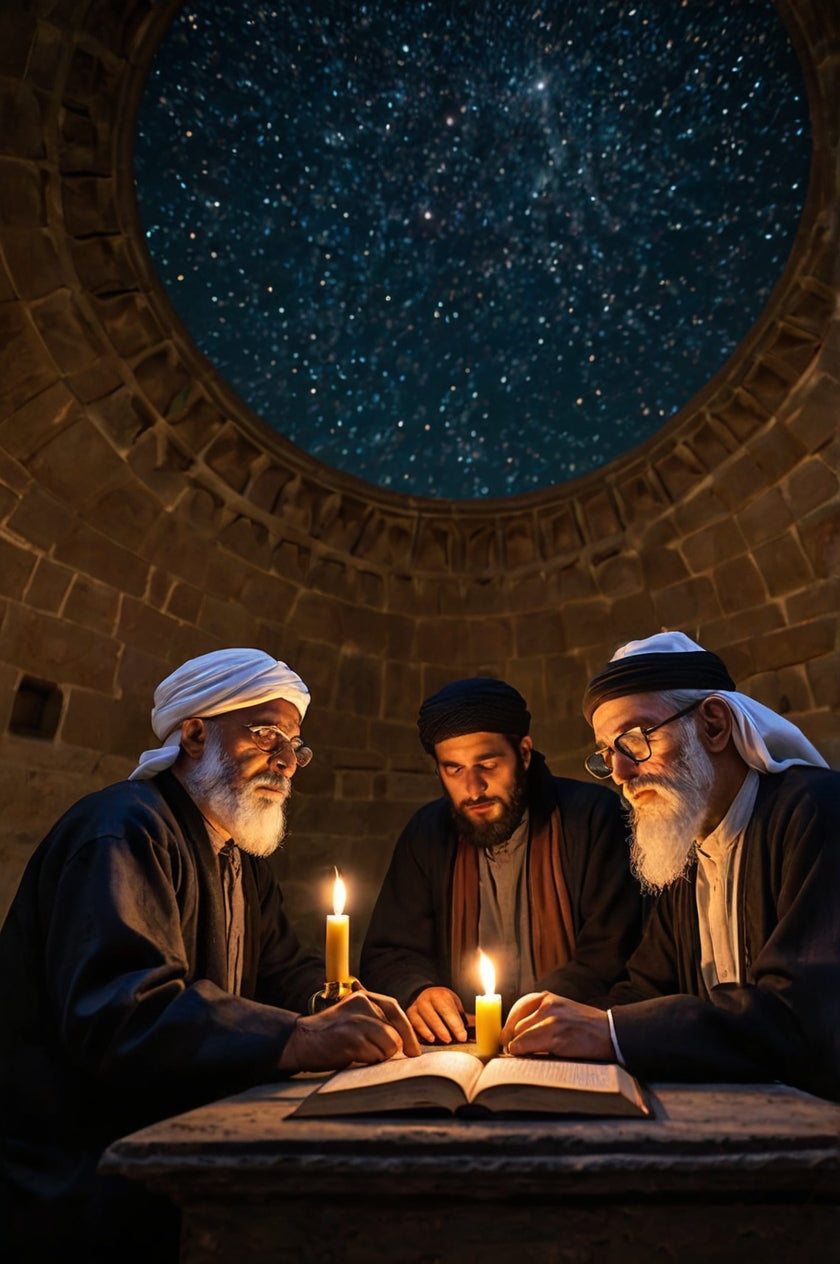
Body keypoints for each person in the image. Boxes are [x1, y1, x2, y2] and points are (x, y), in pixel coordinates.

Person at [0, 648, 420, 1263]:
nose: (285, 760)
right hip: (80, 1172)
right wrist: (300, 1039)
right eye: (265, 734)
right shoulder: (122, 831)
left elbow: (283, 970)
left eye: (294, 745)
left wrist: (337, 1003)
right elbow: (122, 1014)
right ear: (194, 734)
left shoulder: (238, 856)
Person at [501, 631, 840, 1103]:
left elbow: (796, 1018)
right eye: (606, 753)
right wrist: (559, 1023)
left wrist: (608, 1031)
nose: (619, 772)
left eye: (635, 740)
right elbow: (645, 991)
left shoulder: (816, 813)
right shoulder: (685, 847)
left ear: (715, 725)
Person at [360, 676, 643, 1043]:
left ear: (523, 753)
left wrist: (536, 1012)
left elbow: (613, 956)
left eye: (488, 764)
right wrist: (417, 991)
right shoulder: (426, 834)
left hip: (569, 1040)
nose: (473, 788)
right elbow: (390, 951)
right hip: (459, 1045)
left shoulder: (593, 818)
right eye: (454, 769)